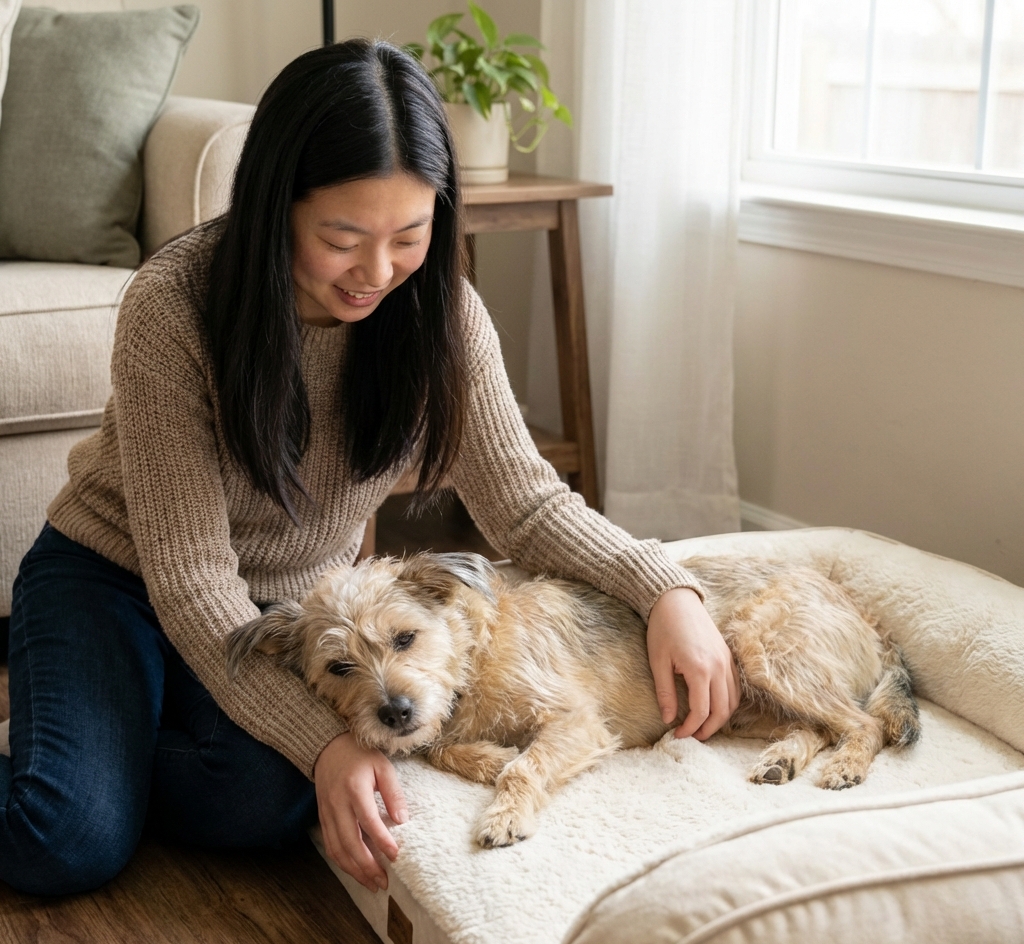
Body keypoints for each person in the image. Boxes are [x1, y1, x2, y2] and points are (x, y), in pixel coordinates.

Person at [0, 40, 738, 897]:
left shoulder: (441, 315)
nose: (378, 272)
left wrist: (665, 587)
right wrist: (323, 743)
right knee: (66, 838)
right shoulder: (174, 304)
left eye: (410, 236)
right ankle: (80, 747)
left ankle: (85, 736)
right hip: (116, 577)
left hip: (291, 615)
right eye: (342, 239)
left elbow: (525, 504)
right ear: (278, 205)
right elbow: (194, 579)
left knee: (270, 796)